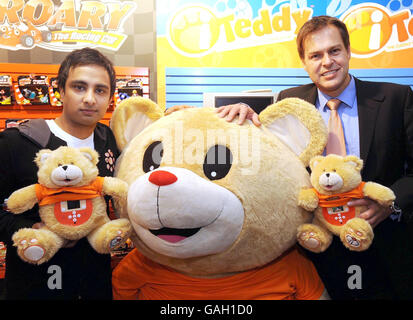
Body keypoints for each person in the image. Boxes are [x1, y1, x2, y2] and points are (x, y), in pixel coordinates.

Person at [217, 16, 413, 299]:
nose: (327, 62)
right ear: (304, 62)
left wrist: (389, 203)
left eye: (334, 51)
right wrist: (244, 116)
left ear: (348, 51)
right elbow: (267, 158)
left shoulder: (396, 97)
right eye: (316, 55)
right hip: (315, 247)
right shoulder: (289, 102)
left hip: (385, 244)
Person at [0, 47, 120, 299]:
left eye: (100, 90)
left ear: (110, 98)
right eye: (79, 87)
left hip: (93, 281)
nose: (89, 98)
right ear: (60, 90)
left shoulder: (108, 139)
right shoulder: (17, 142)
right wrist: (35, 228)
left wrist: (181, 116)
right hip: (34, 284)